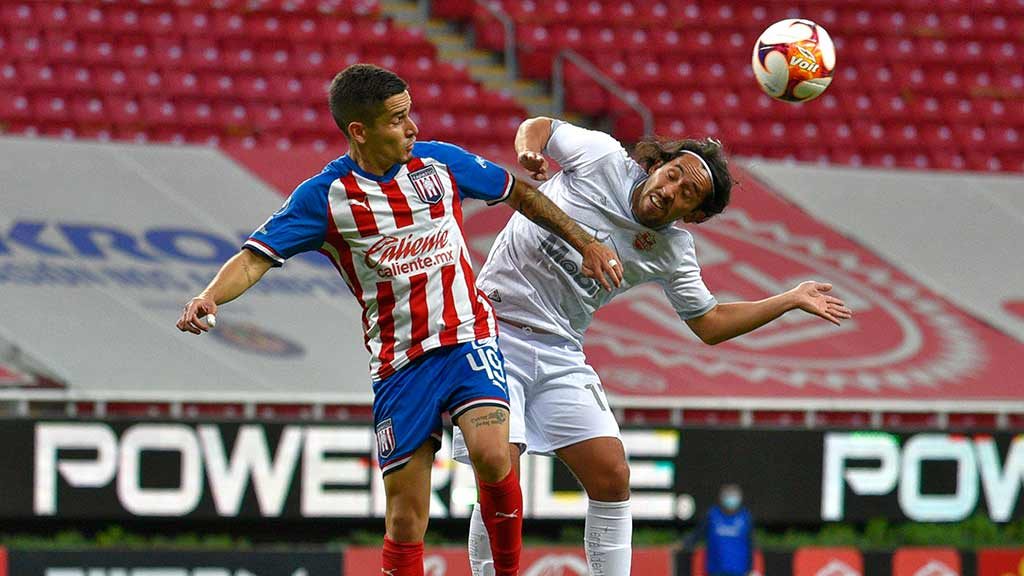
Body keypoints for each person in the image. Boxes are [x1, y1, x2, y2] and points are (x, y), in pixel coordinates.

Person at [176, 66, 622, 576]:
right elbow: (256, 256)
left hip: (466, 338)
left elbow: (518, 193)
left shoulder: (440, 163)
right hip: (399, 364)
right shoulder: (324, 197)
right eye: (397, 119)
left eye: (410, 114)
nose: (412, 127)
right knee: (407, 521)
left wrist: (583, 240)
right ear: (359, 131)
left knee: (494, 455)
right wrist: (211, 296)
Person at [454, 117, 852, 576]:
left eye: (688, 194)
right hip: (493, 330)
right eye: (673, 174)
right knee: (503, 473)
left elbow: (709, 323)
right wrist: (529, 151)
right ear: (657, 165)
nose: (671, 189)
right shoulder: (601, 157)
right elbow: (539, 126)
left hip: (560, 348)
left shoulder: (671, 250)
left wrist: (787, 299)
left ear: (695, 215)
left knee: (612, 475)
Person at [683, 484, 755, 576]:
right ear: (722, 497)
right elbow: (697, 534)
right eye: (728, 495)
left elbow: (750, 544)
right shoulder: (712, 515)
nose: (731, 499)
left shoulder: (745, 517)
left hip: (739, 571)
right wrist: (684, 544)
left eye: (734, 495)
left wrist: (750, 569)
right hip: (715, 571)